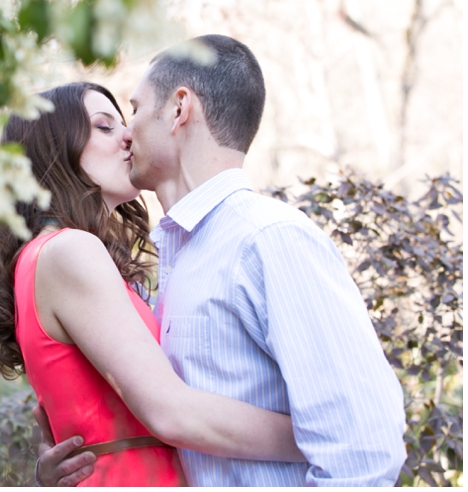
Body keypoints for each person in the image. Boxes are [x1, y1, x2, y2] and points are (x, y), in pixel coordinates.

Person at [38, 38, 407, 487]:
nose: (127, 132)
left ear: (179, 110)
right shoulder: (177, 257)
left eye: (134, 110)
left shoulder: (268, 239)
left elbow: (364, 448)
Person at [0, 81, 305, 487]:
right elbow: (171, 412)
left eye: (123, 123)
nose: (128, 136)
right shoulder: (69, 252)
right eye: (104, 127)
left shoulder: (47, 255)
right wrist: (316, 434)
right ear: (52, 146)